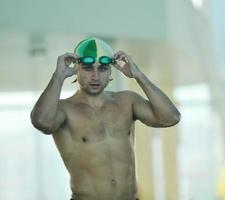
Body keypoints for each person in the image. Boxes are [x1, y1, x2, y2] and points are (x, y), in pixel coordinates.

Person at [30, 37, 181, 200]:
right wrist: (58, 76)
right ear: (76, 70)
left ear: (110, 72)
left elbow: (171, 117)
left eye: (102, 69)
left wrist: (139, 76)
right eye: (88, 68)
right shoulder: (64, 109)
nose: (95, 76)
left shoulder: (127, 101)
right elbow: (41, 122)